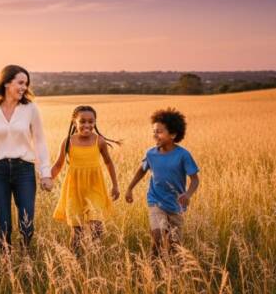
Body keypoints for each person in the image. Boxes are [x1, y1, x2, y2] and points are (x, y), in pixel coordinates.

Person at [0, 65, 52, 252]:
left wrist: (45, 173)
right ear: (6, 83)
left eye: (26, 84)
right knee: (4, 226)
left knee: (27, 225)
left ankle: (25, 259)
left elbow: (39, 141)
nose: (24, 87)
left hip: (24, 171)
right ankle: (6, 266)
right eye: (20, 83)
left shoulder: (30, 109)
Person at [125, 107, 200, 258]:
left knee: (174, 245)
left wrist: (188, 194)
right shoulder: (151, 153)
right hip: (155, 201)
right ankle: (152, 268)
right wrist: (129, 188)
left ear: (173, 134)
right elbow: (142, 170)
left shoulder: (183, 155)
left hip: (176, 204)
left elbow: (195, 179)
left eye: (159, 132)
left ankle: (171, 270)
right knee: (158, 236)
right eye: (154, 131)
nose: (155, 135)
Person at [50, 105, 120, 254]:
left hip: (95, 188)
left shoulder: (99, 141)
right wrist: (48, 179)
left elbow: (108, 162)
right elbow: (58, 164)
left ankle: (95, 258)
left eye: (91, 121)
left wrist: (115, 185)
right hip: (74, 191)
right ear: (74, 122)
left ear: (95, 122)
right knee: (77, 232)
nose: (87, 125)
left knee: (97, 227)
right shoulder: (68, 142)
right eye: (82, 121)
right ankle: (75, 263)